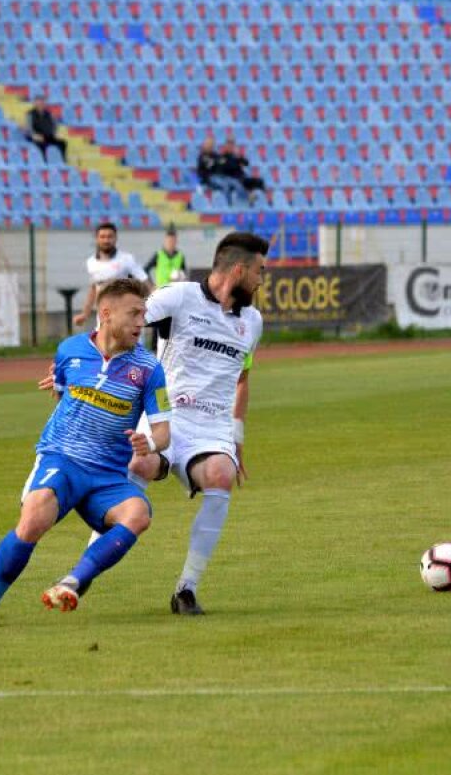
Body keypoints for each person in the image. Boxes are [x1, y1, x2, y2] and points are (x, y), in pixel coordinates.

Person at [0, 278, 172, 629]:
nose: (142, 322)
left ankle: (72, 582)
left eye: (144, 314)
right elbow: (63, 393)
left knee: (138, 514)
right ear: (105, 313)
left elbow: (163, 432)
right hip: (62, 459)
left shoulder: (150, 369)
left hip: (107, 475)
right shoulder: (69, 350)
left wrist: (148, 444)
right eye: (134, 313)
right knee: (32, 520)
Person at [135, 232, 268, 615]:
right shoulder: (178, 298)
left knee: (221, 474)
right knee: (136, 465)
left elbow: (242, 379)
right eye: (260, 271)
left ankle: (186, 590)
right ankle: (83, 572)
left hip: (211, 430)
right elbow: (123, 321)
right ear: (239, 270)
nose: (263, 279)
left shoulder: (252, 322)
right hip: (165, 416)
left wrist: (237, 437)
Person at [72, 222, 151, 327]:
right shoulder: (91, 262)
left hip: (125, 316)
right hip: (103, 317)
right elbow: (93, 289)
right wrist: (85, 314)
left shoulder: (126, 259)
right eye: (102, 237)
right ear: (97, 239)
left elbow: (145, 281)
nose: (106, 240)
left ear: (115, 238)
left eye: (110, 236)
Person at [218, 138, 267, 203]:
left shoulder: (236, 156)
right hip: (231, 178)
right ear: (226, 146)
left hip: (241, 177)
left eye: (232, 146)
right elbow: (224, 169)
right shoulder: (223, 157)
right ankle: (249, 197)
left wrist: (240, 157)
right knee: (239, 184)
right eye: (229, 146)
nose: (231, 147)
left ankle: (265, 200)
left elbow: (246, 163)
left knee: (259, 181)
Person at [25, 95, 68, 163]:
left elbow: (55, 125)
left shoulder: (49, 113)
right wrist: (34, 135)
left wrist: (53, 133)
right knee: (42, 144)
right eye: (39, 102)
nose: (41, 104)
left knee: (62, 143)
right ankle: (44, 161)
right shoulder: (30, 114)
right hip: (35, 136)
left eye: (42, 102)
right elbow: (29, 127)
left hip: (47, 135)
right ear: (35, 103)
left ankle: (63, 160)